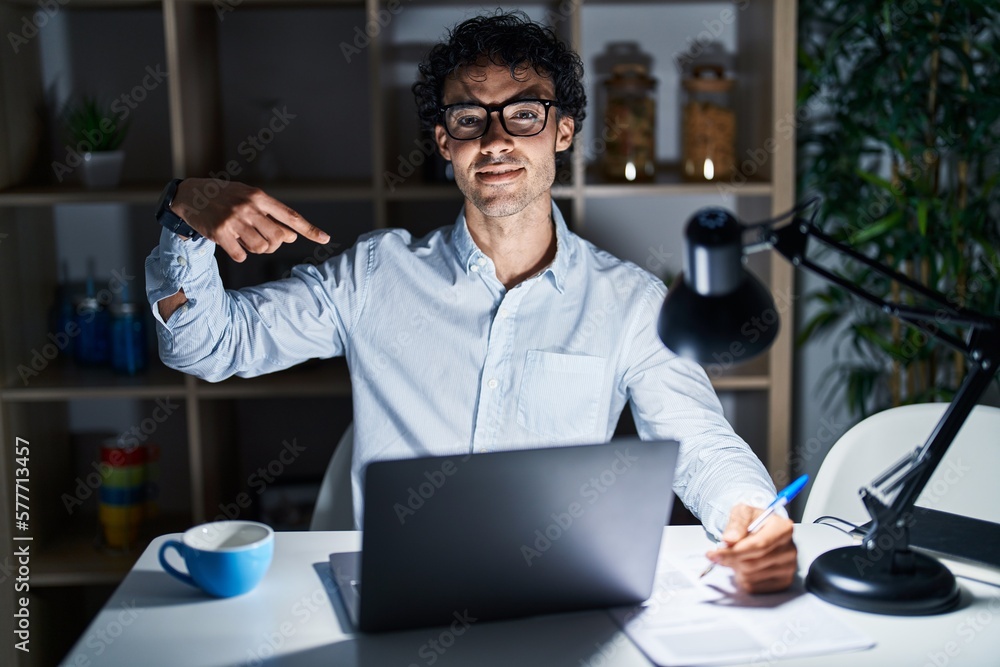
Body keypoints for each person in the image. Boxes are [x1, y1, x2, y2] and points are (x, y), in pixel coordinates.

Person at [146, 11, 796, 593]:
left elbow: (701, 444)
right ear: (443, 142)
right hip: (399, 595)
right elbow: (204, 345)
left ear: (563, 132)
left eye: (524, 113)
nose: (495, 140)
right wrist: (184, 218)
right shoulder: (374, 276)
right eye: (468, 118)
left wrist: (754, 517)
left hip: (556, 592)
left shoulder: (629, 301)